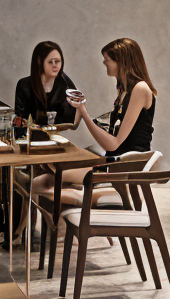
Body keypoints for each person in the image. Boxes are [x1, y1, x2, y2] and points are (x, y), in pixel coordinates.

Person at [32, 38, 158, 202]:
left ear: (121, 61)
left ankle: (70, 212)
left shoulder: (140, 88)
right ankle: (61, 215)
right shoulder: (124, 90)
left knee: (42, 182)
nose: (104, 63)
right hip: (113, 161)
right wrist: (82, 112)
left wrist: (83, 112)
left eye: (107, 60)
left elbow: (113, 144)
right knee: (43, 179)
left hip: (122, 165)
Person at [13, 41, 78, 128]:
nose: (55, 65)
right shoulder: (24, 86)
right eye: (50, 62)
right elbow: (20, 121)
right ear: (39, 62)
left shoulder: (65, 85)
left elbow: (71, 121)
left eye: (57, 61)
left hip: (60, 134)